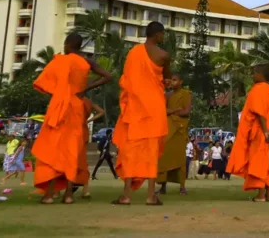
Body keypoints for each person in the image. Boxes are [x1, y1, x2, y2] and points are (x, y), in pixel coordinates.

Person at [31, 32, 113, 204]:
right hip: (76, 105)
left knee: (54, 150)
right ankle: (68, 195)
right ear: (80, 46)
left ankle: (49, 195)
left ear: (68, 44)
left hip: (60, 107)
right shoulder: (86, 62)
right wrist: (87, 87)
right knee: (72, 151)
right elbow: (108, 76)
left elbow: (43, 83)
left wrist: (61, 92)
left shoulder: (60, 60)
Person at [113, 21, 171, 206]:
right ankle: (150, 196)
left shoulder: (133, 53)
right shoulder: (163, 55)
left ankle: (126, 195)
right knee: (152, 153)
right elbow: (167, 78)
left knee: (131, 151)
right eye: (162, 34)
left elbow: (127, 80)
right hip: (154, 108)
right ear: (158, 35)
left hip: (136, 109)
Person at [227, 63, 269, 201]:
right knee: (264, 162)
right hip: (267, 131)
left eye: (254, 73)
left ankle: (261, 195)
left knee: (258, 162)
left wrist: (265, 131)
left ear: (260, 74)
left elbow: (260, 114)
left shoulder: (257, 90)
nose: (252, 75)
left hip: (258, 132)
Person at [157, 74, 192, 195]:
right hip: (168, 128)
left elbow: (186, 112)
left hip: (180, 130)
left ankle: (182, 186)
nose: (172, 82)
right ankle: (163, 185)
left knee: (180, 158)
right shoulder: (167, 95)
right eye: (171, 80)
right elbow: (162, 110)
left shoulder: (186, 94)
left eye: (175, 80)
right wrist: (174, 110)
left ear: (181, 81)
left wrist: (172, 112)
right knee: (164, 156)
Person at [76, 97, 106, 199]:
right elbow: (102, 112)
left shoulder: (71, 98)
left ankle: (58, 190)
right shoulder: (87, 101)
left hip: (72, 130)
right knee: (82, 160)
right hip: (83, 129)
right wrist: (88, 120)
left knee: (68, 159)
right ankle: (85, 190)